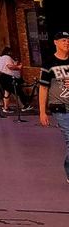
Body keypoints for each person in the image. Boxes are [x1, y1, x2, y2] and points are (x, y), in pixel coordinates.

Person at [38, 29, 69, 183]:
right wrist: (42, 112)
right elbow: (43, 88)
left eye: (68, 40)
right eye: (63, 40)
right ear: (56, 43)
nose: (67, 43)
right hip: (60, 108)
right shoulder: (49, 63)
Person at [0, 45, 24, 114]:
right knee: (17, 91)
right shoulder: (7, 57)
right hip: (9, 77)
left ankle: (6, 107)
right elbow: (10, 66)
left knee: (7, 92)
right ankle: (23, 105)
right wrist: (18, 67)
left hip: (2, 76)